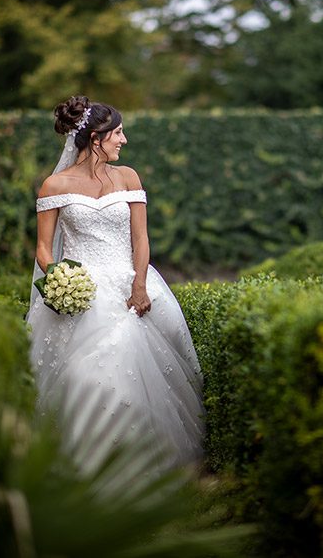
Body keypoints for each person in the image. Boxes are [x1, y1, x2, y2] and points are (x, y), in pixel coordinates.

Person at [26, 96, 204, 472]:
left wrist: (139, 285)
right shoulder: (54, 185)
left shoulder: (129, 177)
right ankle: (89, 463)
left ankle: (143, 464)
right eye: (118, 132)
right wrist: (61, 280)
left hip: (130, 283)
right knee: (89, 376)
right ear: (96, 137)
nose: (123, 140)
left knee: (136, 372)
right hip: (83, 291)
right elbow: (43, 248)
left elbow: (140, 240)